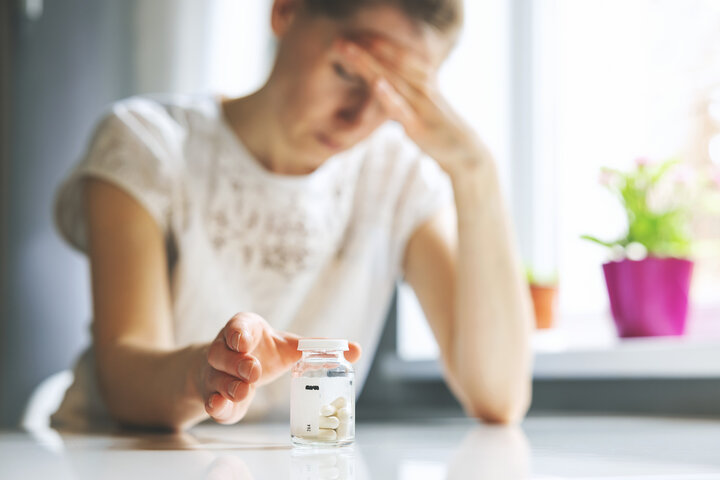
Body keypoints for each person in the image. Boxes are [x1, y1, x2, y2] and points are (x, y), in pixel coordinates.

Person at [51, 0, 534, 432]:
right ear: (286, 10)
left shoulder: (396, 178)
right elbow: (125, 379)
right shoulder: (148, 142)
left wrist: (474, 172)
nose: (359, 117)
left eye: (397, 95)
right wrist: (210, 373)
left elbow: (498, 396)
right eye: (349, 72)